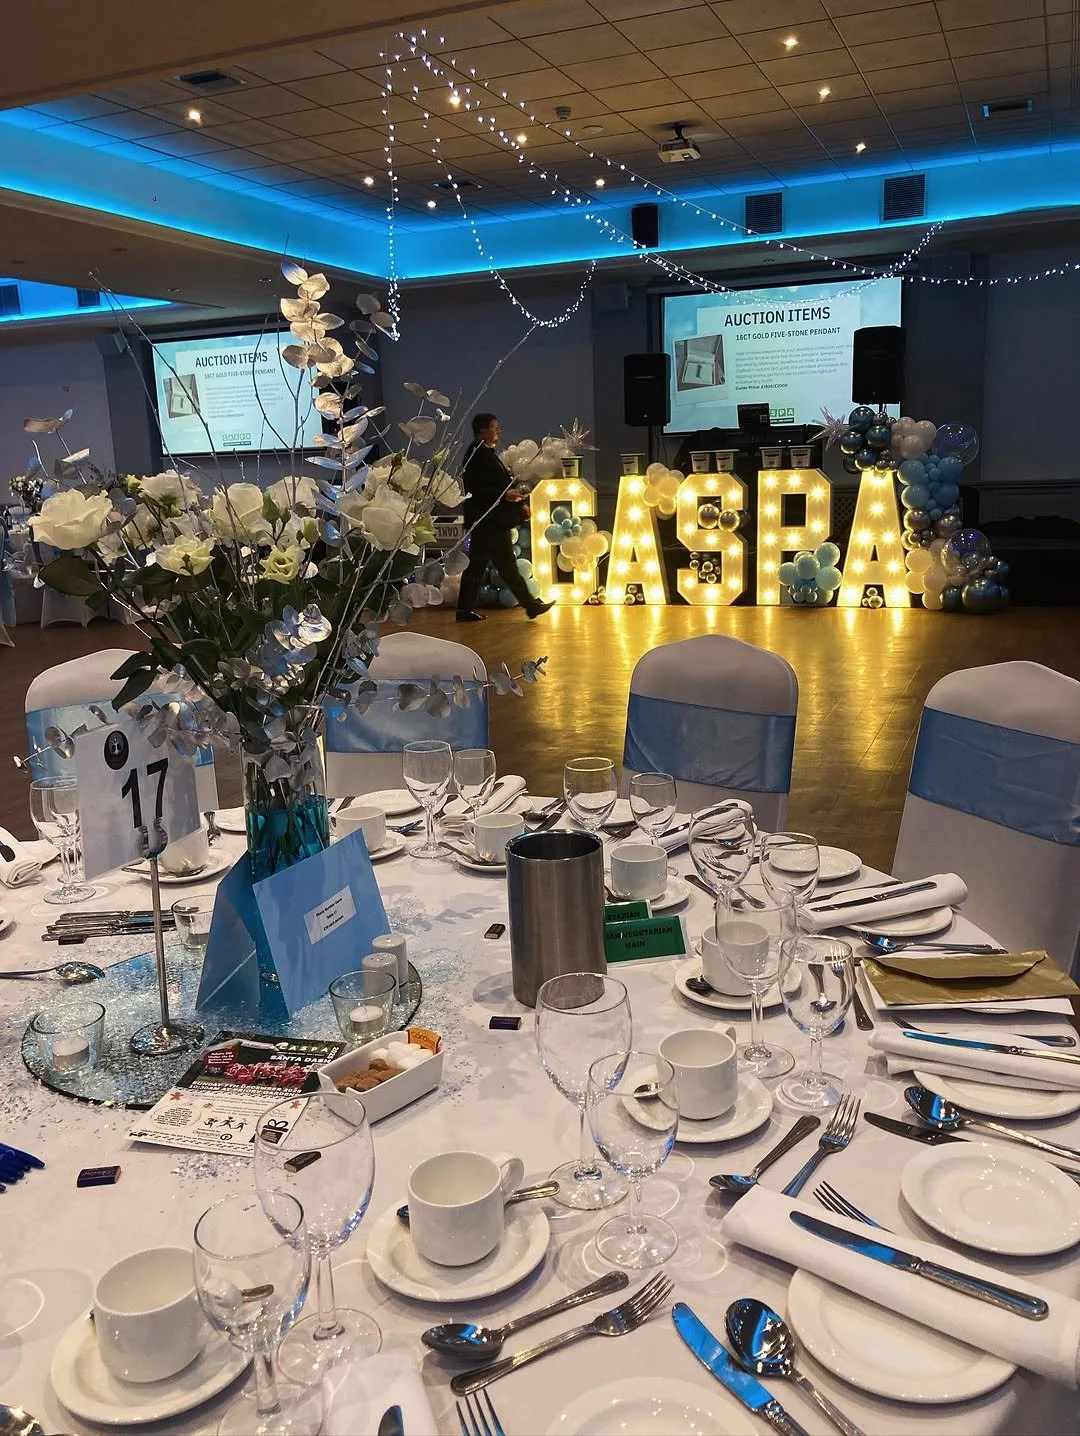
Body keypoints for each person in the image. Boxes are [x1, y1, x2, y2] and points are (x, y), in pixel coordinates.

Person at [455, 413, 554, 623]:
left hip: (488, 521)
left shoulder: (484, 453)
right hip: (488, 521)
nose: (498, 431)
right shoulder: (477, 454)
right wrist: (507, 495)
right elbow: (477, 487)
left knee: (480, 567)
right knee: (503, 566)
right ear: (483, 431)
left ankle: (465, 610)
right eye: (494, 427)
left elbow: (497, 486)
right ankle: (530, 605)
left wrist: (517, 500)